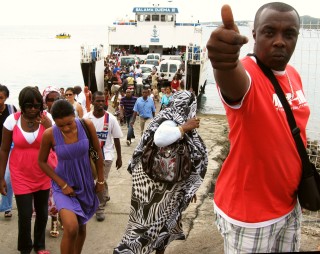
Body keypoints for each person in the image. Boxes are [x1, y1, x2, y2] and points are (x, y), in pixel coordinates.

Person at [206, 3, 309, 253]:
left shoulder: (293, 74)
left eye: (289, 34)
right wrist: (224, 62)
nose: (279, 41)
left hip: (289, 205)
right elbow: (232, 81)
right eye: (269, 32)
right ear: (254, 34)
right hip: (249, 216)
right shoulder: (248, 75)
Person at [114, 91, 208, 254]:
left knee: (164, 223)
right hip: (155, 183)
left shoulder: (173, 117)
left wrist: (188, 187)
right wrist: (185, 127)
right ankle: (128, 250)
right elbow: (160, 138)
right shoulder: (171, 118)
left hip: (167, 180)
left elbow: (186, 156)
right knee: (146, 223)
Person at [38, 99, 104, 254]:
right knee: (71, 227)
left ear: (74, 116)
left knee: (81, 227)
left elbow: (97, 154)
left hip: (85, 183)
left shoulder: (86, 125)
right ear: (54, 122)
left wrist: (101, 180)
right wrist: (62, 184)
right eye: (61, 125)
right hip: (63, 186)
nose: (66, 128)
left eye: (69, 123)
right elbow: (41, 162)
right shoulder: (49, 134)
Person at [0, 86, 55, 254]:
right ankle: (25, 247)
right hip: (20, 174)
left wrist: (48, 127)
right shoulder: (12, 120)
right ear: (22, 105)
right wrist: (1, 177)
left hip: (42, 173)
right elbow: (3, 149)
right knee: (24, 215)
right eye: (29, 105)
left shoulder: (47, 119)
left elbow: (57, 146)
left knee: (42, 213)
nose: (33, 109)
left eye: (37, 105)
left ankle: (40, 246)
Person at [83, 91, 123, 222]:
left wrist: (119, 157)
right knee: (95, 179)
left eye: (102, 101)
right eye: (97, 101)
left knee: (101, 179)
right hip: (91, 154)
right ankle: (104, 195)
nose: (100, 104)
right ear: (93, 101)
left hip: (106, 154)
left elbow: (116, 138)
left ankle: (99, 208)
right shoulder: (86, 118)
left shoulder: (110, 118)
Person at [42, 86, 61, 238]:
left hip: (62, 160)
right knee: (50, 193)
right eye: (50, 99)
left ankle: (58, 217)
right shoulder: (41, 117)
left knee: (60, 191)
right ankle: (53, 220)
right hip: (47, 160)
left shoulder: (66, 115)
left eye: (57, 99)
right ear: (45, 101)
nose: (53, 102)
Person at [0, 84, 17, 219]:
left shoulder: (12, 109)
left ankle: (6, 206)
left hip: (9, 147)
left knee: (7, 177)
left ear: (5, 98)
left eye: (0, 97)